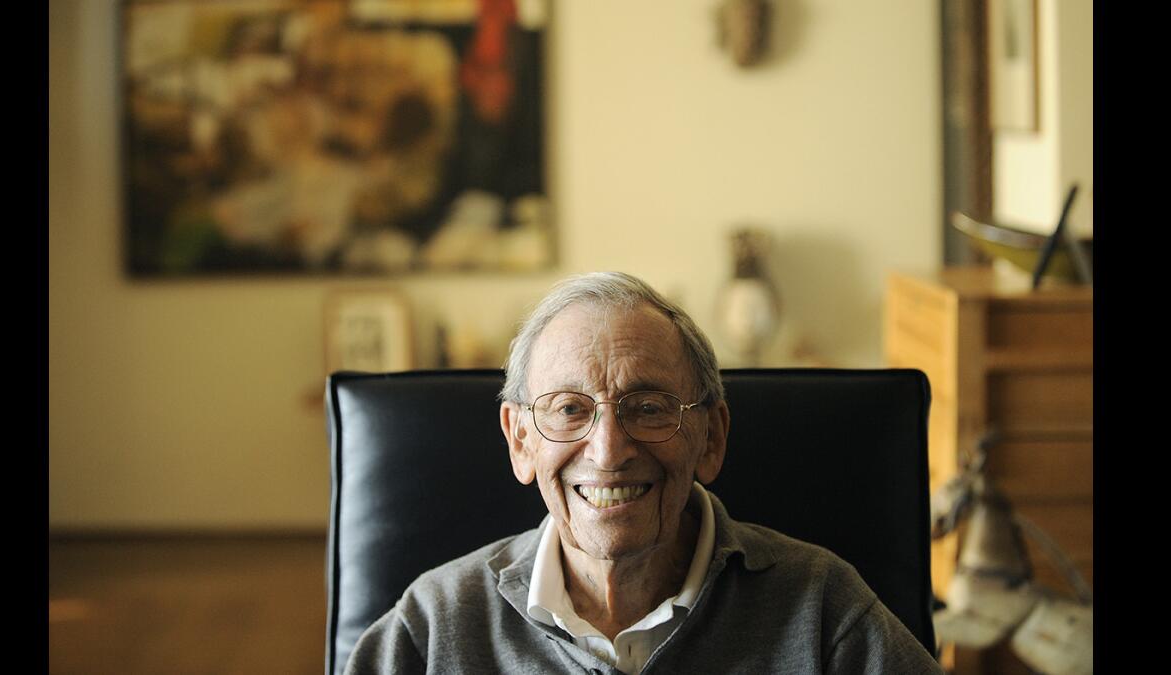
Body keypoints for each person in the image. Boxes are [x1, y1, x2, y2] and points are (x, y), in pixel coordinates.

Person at [344, 271, 943, 674]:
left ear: (712, 437)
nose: (608, 451)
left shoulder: (822, 610)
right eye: (569, 409)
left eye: (650, 408)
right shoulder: (433, 625)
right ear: (520, 441)